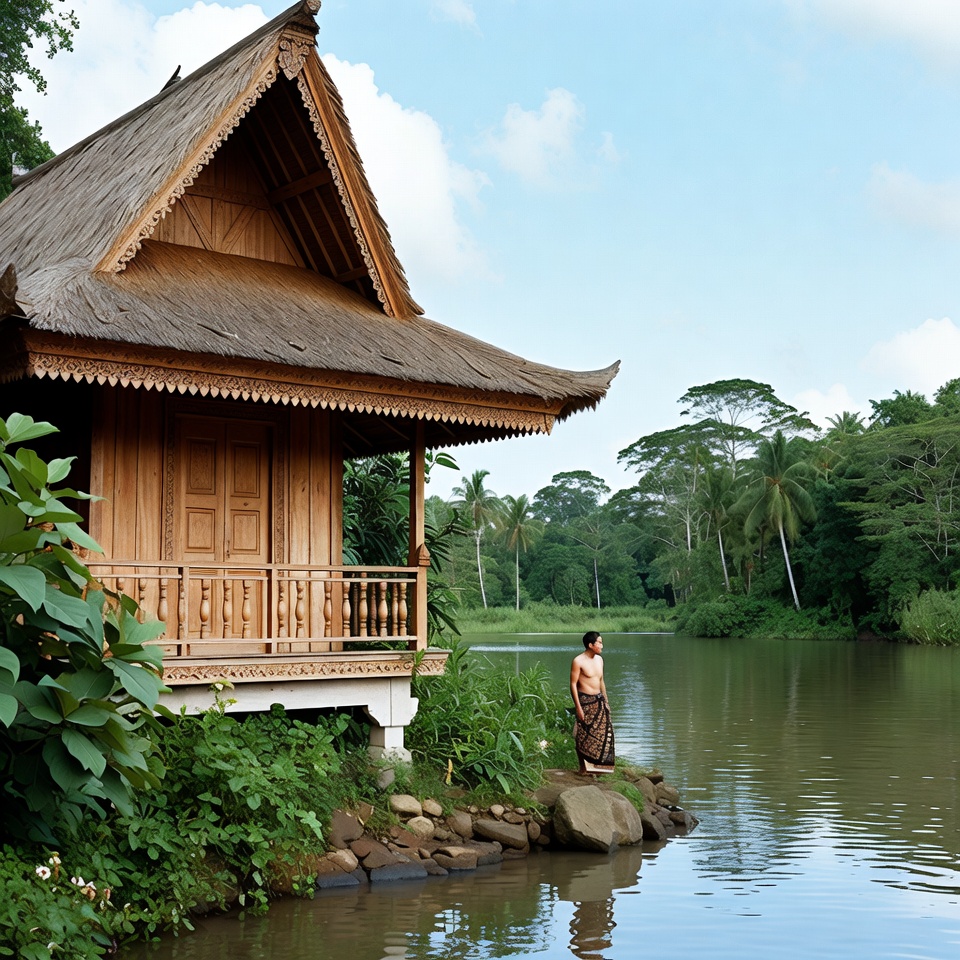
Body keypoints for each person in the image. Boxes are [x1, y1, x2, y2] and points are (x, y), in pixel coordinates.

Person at [570, 631, 615, 775]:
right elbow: (573, 684)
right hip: (585, 701)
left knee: (603, 733)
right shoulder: (578, 661)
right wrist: (578, 707)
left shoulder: (600, 660)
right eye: (599, 642)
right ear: (591, 645)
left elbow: (601, 681)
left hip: (599, 700)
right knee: (582, 735)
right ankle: (582, 768)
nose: (602, 645)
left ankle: (598, 767)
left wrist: (606, 701)